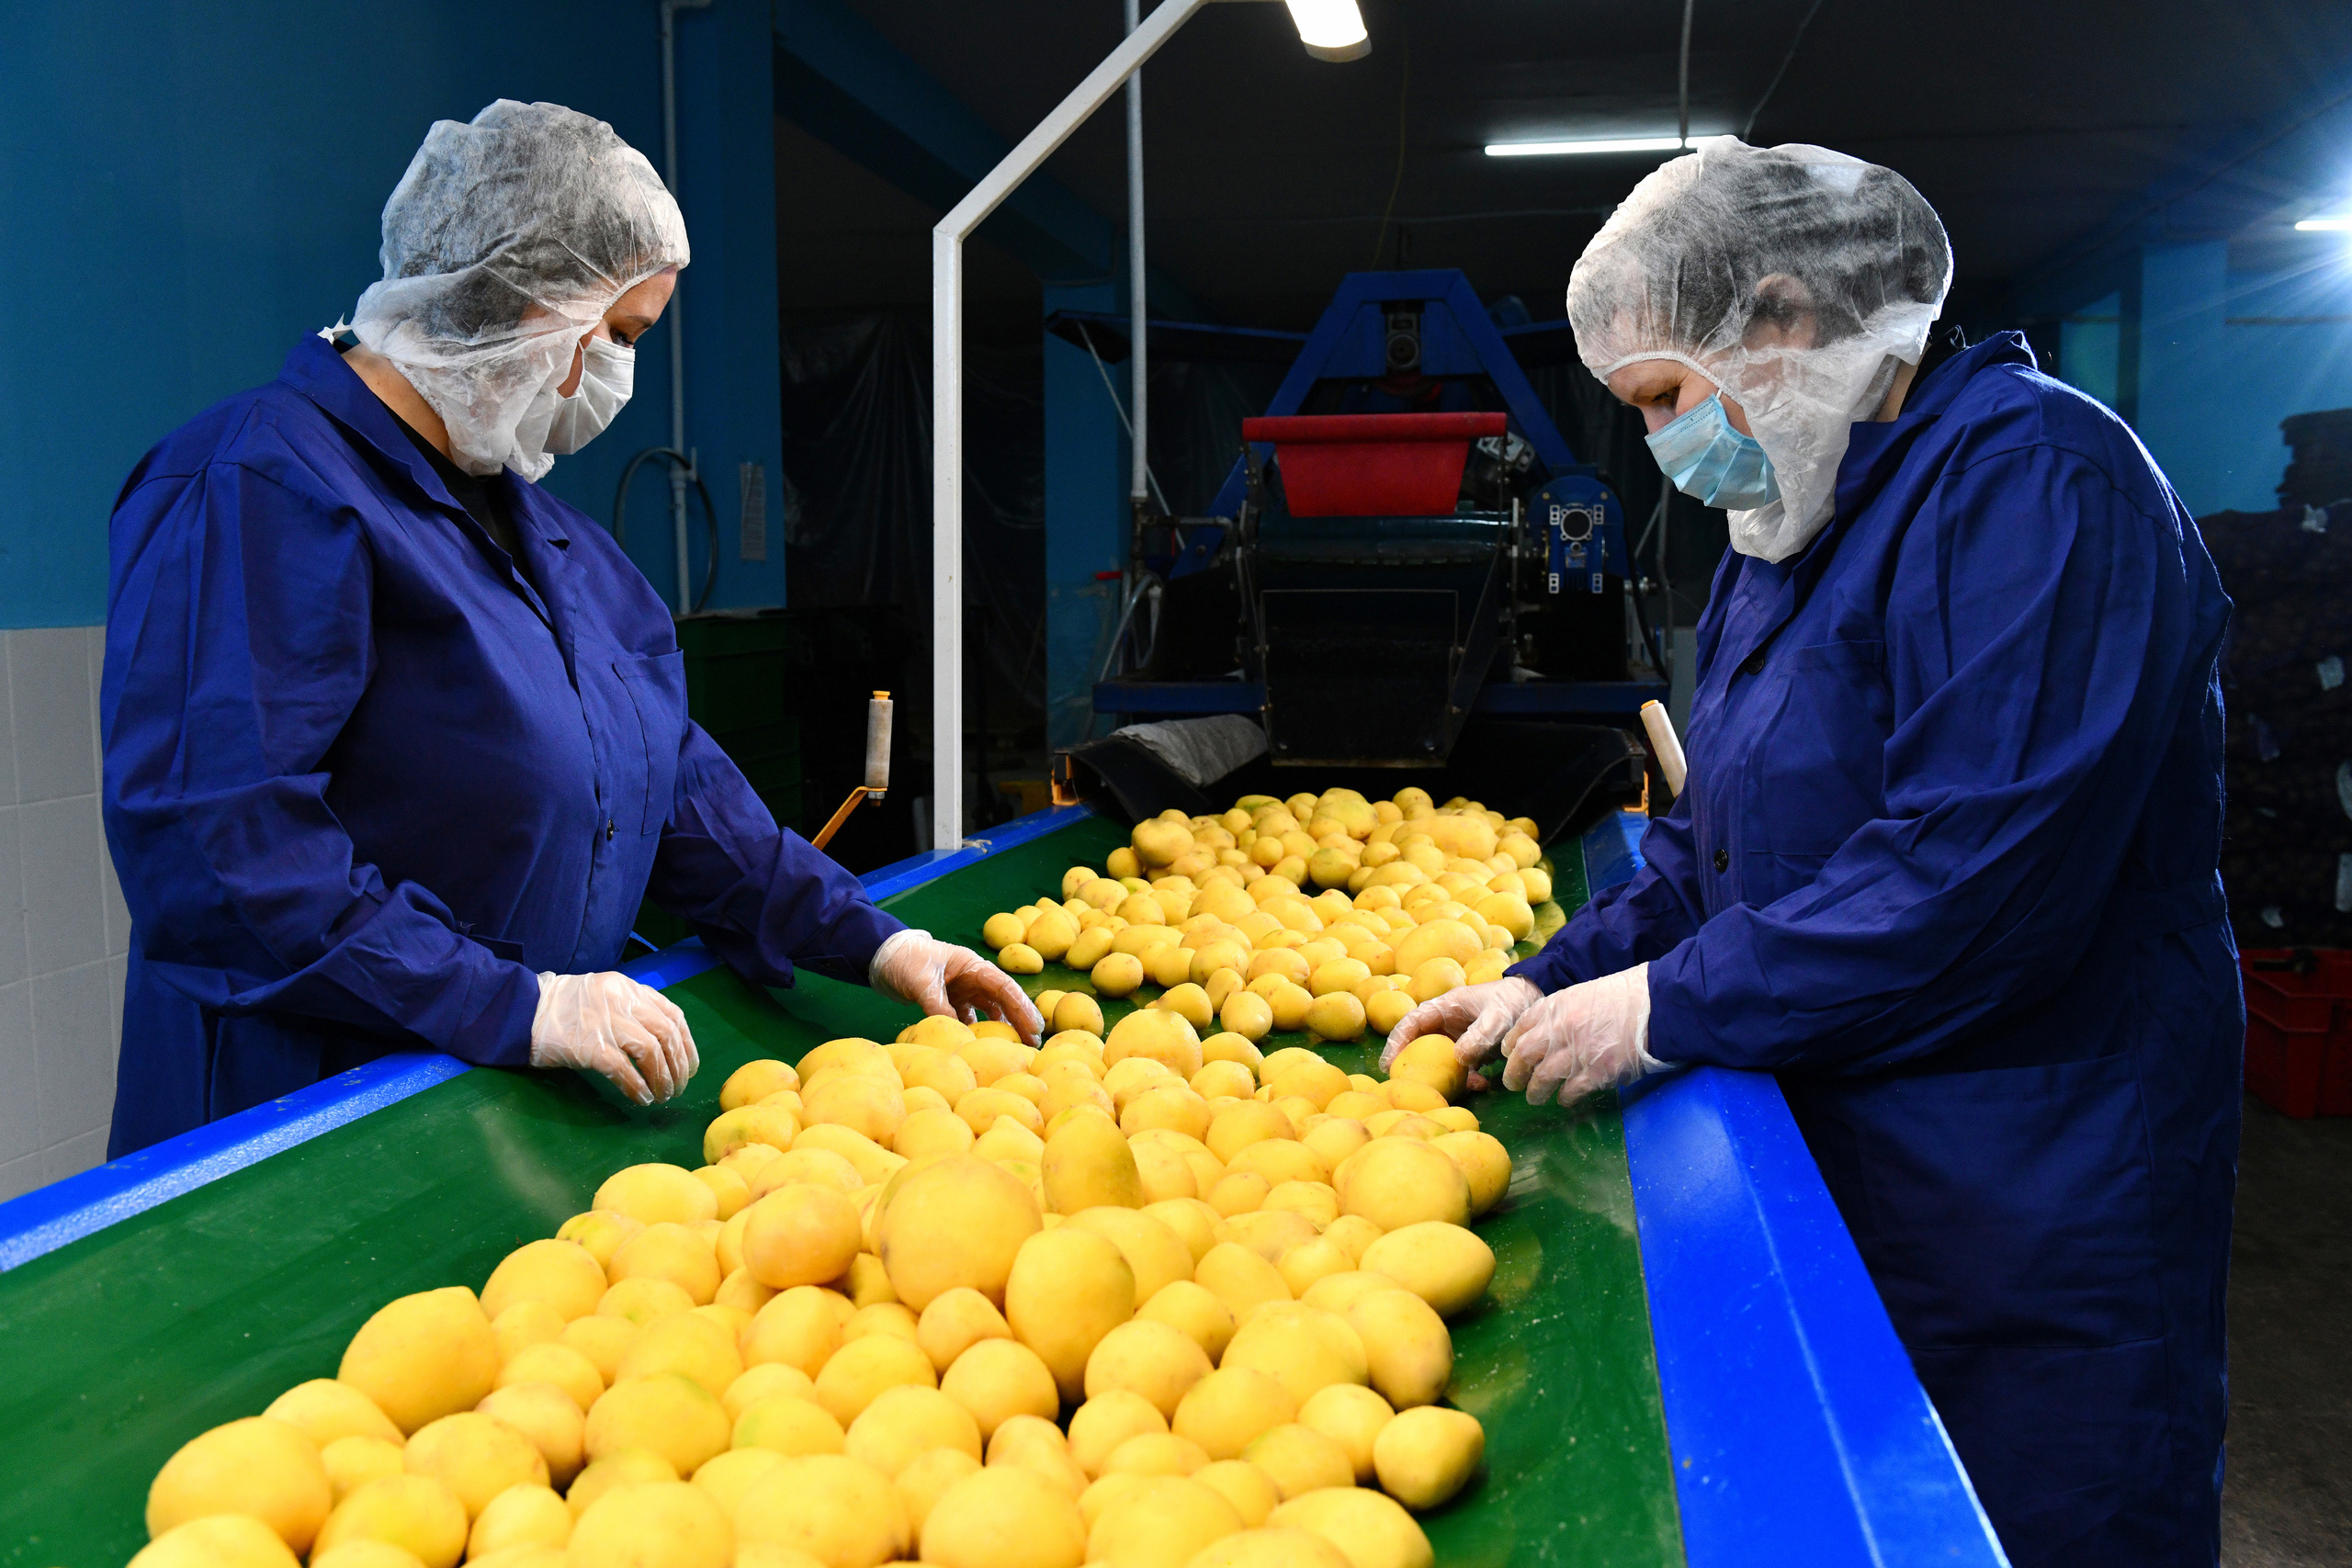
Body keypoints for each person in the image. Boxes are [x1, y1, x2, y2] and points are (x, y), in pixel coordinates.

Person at [1386, 141, 2237, 1566]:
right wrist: (1546, 979)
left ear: (1779, 319)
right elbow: (1705, 850)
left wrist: (1664, 1006)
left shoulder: (2039, 483)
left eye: (1662, 395)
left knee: (2047, 1523)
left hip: (2035, 1191)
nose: (1662, 441)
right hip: (1853, 1152)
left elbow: (1982, 874)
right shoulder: (1783, 531)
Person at [102, 101, 1034, 1156]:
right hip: (299, 1119)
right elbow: (219, 852)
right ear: (513, 303)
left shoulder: (549, 539)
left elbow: (676, 795)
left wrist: (875, 941)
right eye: (622, 338)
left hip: (496, 1100)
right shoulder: (259, 487)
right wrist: (515, 1004)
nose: (620, 377)